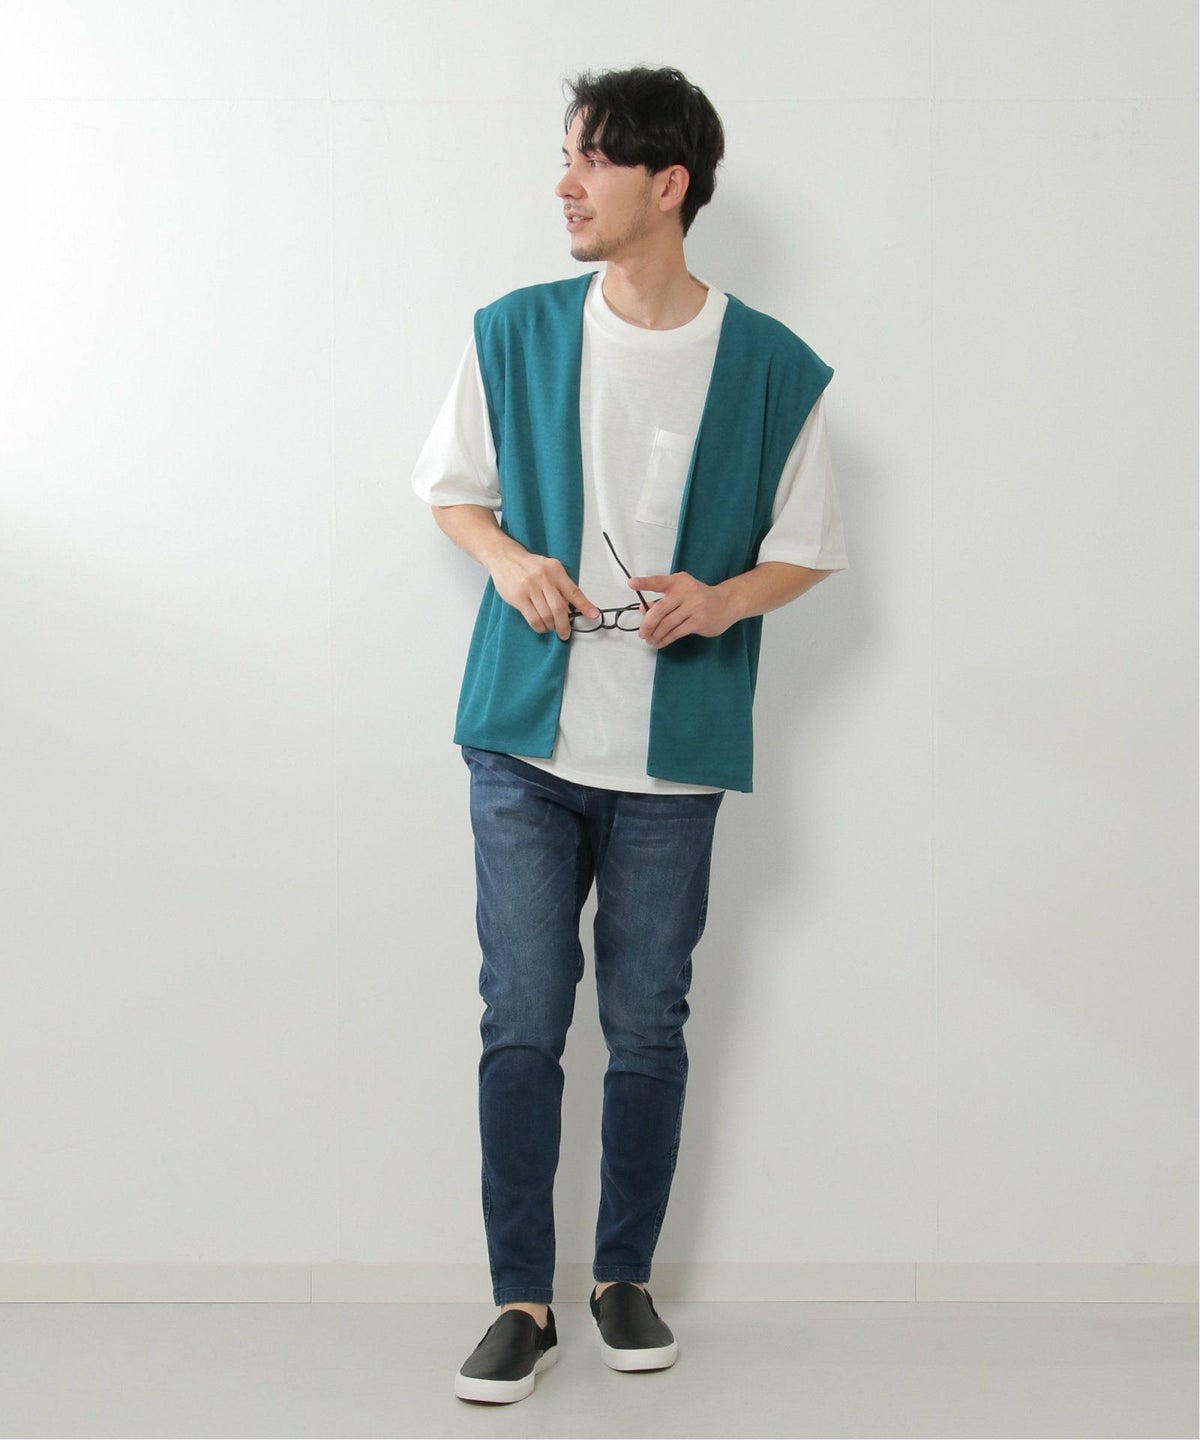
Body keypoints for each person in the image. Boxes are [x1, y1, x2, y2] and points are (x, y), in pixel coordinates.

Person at [411, 64, 848, 1405]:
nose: (565, 185)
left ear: (670, 184)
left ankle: (622, 1278)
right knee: (523, 1015)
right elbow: (452, 492)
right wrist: (509, 563)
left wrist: (723, 599)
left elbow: (808, 548)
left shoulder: (773, 366)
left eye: (591, 160)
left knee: (649, 1021)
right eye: (566, 156)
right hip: (524, 746)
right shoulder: (512, 331)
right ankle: (520, 1300)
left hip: (674, 755)